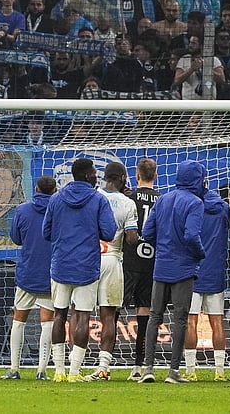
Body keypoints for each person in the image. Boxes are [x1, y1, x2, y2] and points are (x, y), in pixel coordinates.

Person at [42, 158, 117, 382]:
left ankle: (58, 371)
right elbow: (110, 232)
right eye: (94, 173)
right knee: (82, 316)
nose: (97, 176)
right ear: (86, 175)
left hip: (61, 264)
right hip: (86, 265)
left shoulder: (56, 199)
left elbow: (46, 232)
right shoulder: (98, 200)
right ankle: (74, 371)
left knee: (59, 315)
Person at [139, 160, 207, 384]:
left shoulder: (163, 199)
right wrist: (199, 253)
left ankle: (147, 368)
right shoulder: (195, 203)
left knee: (154, 317)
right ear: (197, 180)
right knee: (179, 320)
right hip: (184, 268)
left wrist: (165, 244)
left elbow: (147, 232)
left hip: (161, 267)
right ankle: (173, 372)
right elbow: (191, 236)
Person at [86, 162, 140, 381]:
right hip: (112, 259)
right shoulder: (127, 203)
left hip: (88, 259)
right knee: (108, 316)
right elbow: (132, 238)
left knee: (79, 314)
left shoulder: (91, 198)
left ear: (104, 177)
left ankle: (73, 365)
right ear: (123, 178)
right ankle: (103, 368)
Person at [8, 176, 57, 380]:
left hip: (27, 273)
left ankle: (14, 369)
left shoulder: (22, 210)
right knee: (48, 322)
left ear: (36, 188)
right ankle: (42, 370)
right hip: (49, 273)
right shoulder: (58, 211)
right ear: (55, 190)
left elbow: (15, 237)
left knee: (19, 321)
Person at [183, 181, 230, 381]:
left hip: (192, 270)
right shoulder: (222, 207)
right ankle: (219, 372)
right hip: (215, 270)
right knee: (217, 322)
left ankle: (190, 370)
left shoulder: (189, 205)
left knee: (190, 322)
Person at [124, 158, 160, 381]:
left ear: (137, 175)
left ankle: (104, 365)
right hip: (151, 262)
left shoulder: (128, 198)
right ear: (155, 176)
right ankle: (141, 365)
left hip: (127, 261)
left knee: (113, 309)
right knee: (145, 312)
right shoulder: (162, 200)